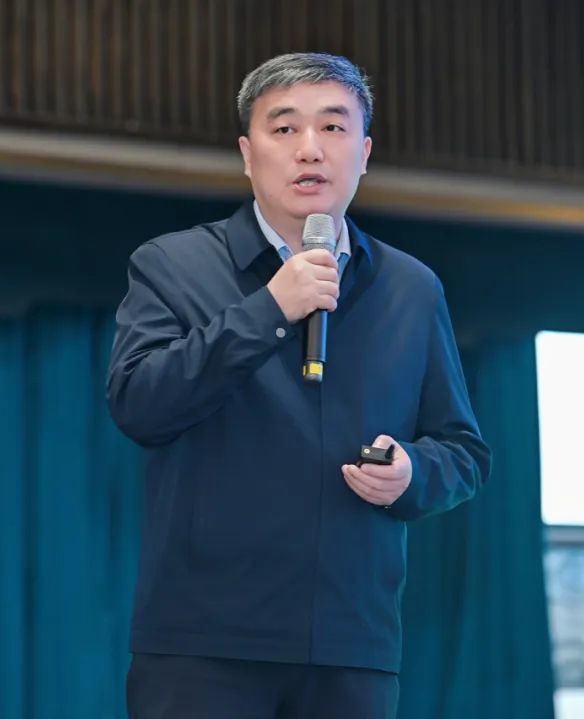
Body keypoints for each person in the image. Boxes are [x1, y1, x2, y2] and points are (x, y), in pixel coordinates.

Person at [106, 52, 491, 719]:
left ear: (364, 154)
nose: (310, 148)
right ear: (247, 154)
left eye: (334, 128)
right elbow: (139, 404)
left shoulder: (411, 287)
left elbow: (463, 452)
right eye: (284, 128)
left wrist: (412, 472)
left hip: (352, 645)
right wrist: (269, 310)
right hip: (204, 645)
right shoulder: (172, 265)